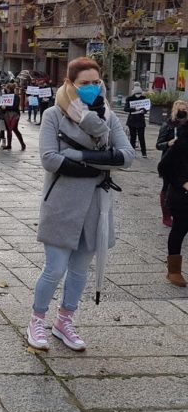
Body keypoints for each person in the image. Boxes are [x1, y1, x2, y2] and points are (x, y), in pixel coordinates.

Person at [27, 57, 134, 352]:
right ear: (70, 84)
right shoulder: (53, 114)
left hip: (96, 205)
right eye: (83, 83)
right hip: (62, 203)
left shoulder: (108, 117)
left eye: (95, 82)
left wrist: (77, 157)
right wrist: (98, 164)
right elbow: (49, 158)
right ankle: (37, 319)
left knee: (79, 270)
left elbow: (126, 156)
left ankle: (65, 321)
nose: (90, 88)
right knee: (55, 268)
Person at [158, 102, 188, 286]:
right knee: (180, 229)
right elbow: (164, 167)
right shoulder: (183, 140)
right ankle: (174, 271)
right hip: (182, 197)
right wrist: (182, 183)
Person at [156, 100, 188, 228]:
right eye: (181, 109)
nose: (183, 111)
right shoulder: (168, 125)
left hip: (184, 162)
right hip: (170, 160)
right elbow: (158, 145)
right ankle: (166, 215)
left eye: (185, 109)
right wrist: (168, 143)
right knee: (167, 187)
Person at [124, 83, 148, 158]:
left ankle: (144, 153)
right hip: (132, 120)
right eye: (137, 93)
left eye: (139, 93)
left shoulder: (143, 98)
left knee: (141, 137)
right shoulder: (129, 99)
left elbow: (146, 108)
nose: (138, 95)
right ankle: (132, 152)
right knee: (133, 137)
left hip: (140, 120)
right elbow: (126, 109)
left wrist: (143, 111)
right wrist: (134, 109)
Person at [1, 83, 26, 151]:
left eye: (7, 88)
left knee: (14, 129)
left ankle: (22, 144)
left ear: (10, 89)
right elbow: (2, 105)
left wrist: (6, 107)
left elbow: (15, 106)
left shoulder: (16, 96)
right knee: (9, 129)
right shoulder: (6, 96)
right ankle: (9, 145)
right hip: (7, 114)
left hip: (14, 114)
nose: (6, 90)